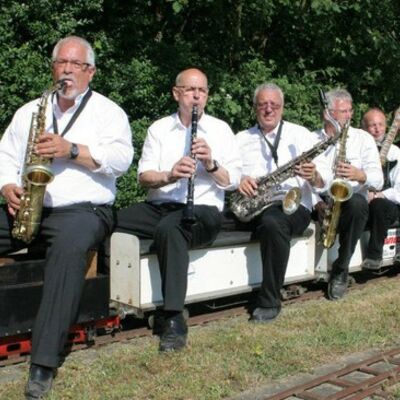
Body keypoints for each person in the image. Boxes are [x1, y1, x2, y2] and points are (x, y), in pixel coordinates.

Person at [0, 36, 133, 399]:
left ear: (90, 71)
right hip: (30, 205)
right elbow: (5, 155)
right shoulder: (31, 109)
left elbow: (122, 162)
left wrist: (72, 150)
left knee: (69, 250)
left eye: (77, 65)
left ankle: (42, 365)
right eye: (62, 63)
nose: (68, 71)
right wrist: (7, 185)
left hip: (84, 211)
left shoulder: (109, 112)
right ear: (53, 67)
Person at [115, 68, 242, 352]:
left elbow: (233, 182)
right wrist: (169, 175)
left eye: (202, 91)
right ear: (176, 93)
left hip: (204, 210)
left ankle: (173, 318)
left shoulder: (220, 130)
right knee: (106, 219)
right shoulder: (159, 129)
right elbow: (143, 177)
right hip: (160, 205)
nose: (197, 96)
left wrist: (210, 163)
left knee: (171, 229)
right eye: (190, 90)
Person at [234, 82, 330, 323]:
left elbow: (324, 181)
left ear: (282, 107)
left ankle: (269, 300)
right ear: (255, 108)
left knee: (273, 222)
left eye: (274, 105)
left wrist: (313, 175)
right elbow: (228, 174)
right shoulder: (240, 138)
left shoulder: (301, 135)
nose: (269, 109)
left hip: (291, 205)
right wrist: (238, 180)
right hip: (252, 204)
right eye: (263, 104)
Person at [313, 89, 383, 300]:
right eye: (341, 111)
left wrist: (360, 175)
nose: (348, 116)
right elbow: (302, 180)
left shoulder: (363, 139)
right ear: (327, 113)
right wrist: (316, 202)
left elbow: (378, 179)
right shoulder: (311, 138)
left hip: (351, 200)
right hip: (320, 199)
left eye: (349, 111)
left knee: (358, 204)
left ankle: (341, 268)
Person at [360, 108, 400, 270]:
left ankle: (374, 256)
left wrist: (380, 194)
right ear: (364, 129)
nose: (377, 129)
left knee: (379, 205)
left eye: (381, 125)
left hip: (389, 206)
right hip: (362, 203)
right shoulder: (359, 150)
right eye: (372, 125)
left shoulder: (396, 153)